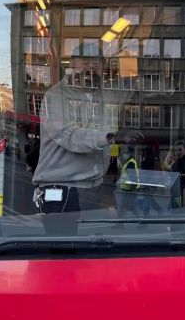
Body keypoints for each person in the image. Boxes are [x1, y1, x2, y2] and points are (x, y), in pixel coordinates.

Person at [32, 45, 141, 215]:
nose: (91, 67)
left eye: (96, 63)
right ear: (72, 64)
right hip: (61, 188)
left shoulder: (102, 94)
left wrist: (165, 86)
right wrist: (111, 138)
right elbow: (69, 135)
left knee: (90, 239)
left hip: (94, 186)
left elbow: (137, 88)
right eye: (86, 62)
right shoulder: (55, 97)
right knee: (63, 240)